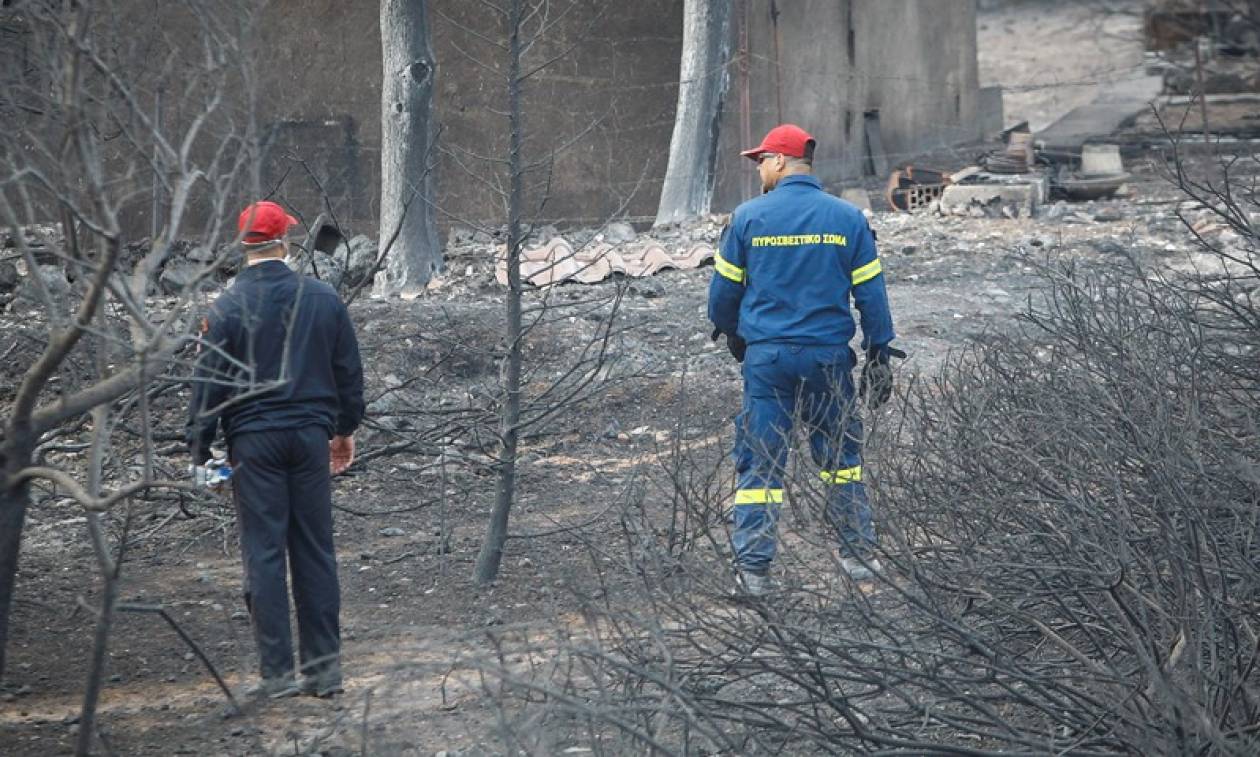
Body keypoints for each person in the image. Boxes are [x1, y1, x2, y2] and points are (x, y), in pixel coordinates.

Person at [708, 124, 901, 596]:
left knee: (761, 466)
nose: (759, 171)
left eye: (761, 162)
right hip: (827, 361)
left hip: (767, 360)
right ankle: (858, 557)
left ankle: (754, 571)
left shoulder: (748, 218)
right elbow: (871, 294)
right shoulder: (849, 219)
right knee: (842, 461)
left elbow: (721, 297)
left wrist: (735, 334)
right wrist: (879, 351)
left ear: (779, 161)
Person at [187, 200, 365, 698]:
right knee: (314, 551)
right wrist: (344, 429)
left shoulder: (222, 309)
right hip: (309, 439)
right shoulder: (323, 298)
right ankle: (325, 673)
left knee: (264, 554)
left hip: (251, 444)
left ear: (243, 246)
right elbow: (349, 374)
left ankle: (277, 675)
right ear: (284, 241)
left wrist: (201, 456)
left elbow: (206, 389)